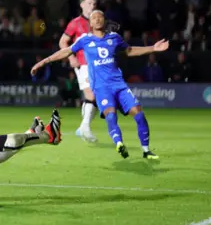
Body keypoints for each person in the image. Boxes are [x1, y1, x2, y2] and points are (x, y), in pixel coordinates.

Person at [31, 10, 168, 159]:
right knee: (111, 115)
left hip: (119, 85)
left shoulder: (115, 38)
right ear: (90, 23)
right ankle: (119, 144)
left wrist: (153, 48)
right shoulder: (85, 40)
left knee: (139, 114)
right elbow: (66, 51)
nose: (97, 19)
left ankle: (146, 150)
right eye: (93, 17)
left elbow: (129, 51)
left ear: (104, 20)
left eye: (100, 16)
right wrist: (44, 61)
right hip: (102, 88)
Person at [59, 0, 98, 143]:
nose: (91, 7)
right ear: (81, 5)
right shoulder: (75, 23)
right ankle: (86, 128)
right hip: (83, 64)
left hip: (97, 65)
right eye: (88, 3)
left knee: (98, 98)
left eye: (93, 4)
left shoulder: (98, 22)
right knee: (91, 95)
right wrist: (71, 57)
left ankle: (83, 127)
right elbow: (63, 42)